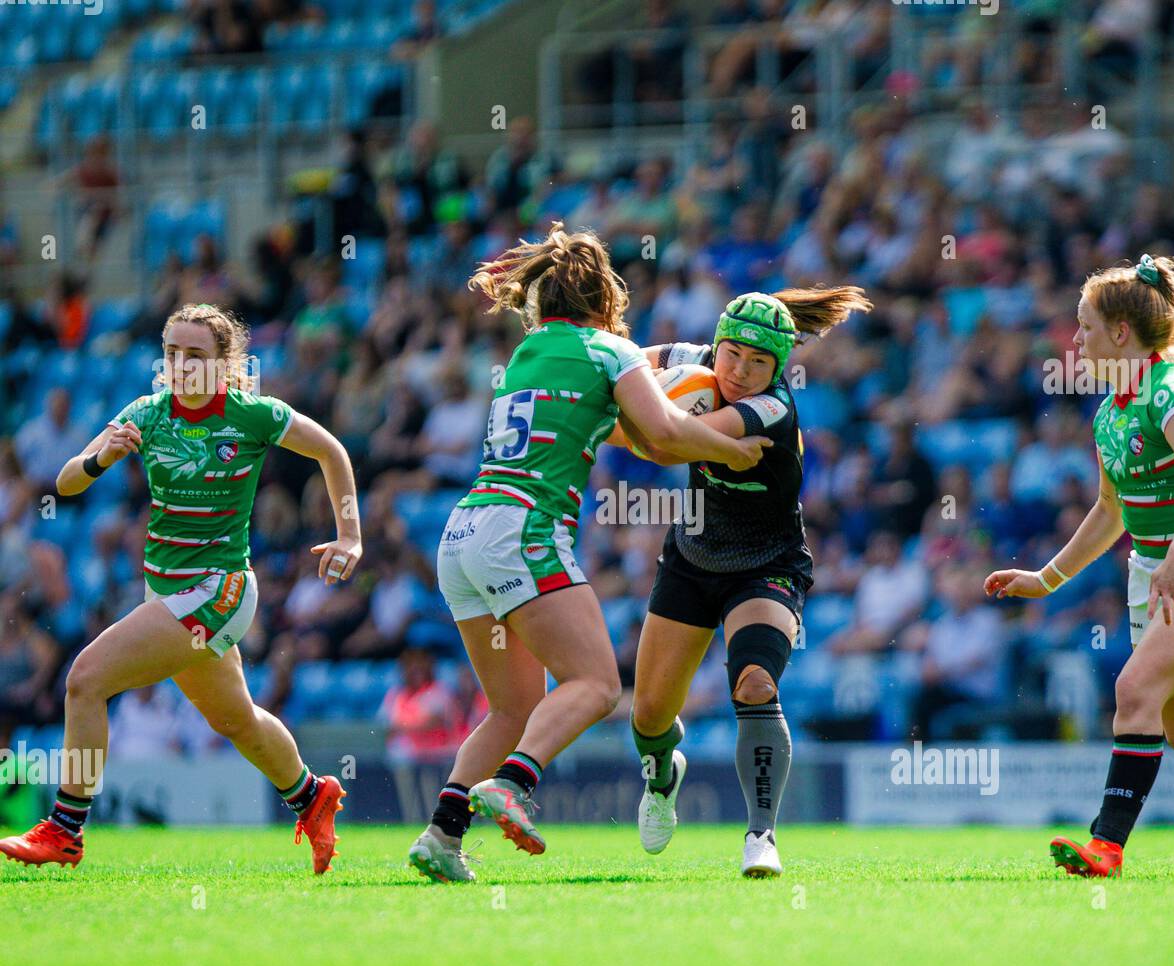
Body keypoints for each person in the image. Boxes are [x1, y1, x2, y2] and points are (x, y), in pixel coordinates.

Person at [406, 223, 770, 884]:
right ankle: (514, 784)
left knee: (513, 709)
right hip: (523, 528)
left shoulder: (531, 350)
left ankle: (442, 833)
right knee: (599, 684)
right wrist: (730, 448)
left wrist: (669, 373)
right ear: (607, 299)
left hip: (463, 534)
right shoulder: (609, 349)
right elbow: (660, 435)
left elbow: (632, 410)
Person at [0, 304, 361, 874]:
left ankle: (65, 829)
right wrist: (102, 457)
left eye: (195, 355)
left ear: (224, 364)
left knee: (85, 680)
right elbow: (66, 481)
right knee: (235, 720)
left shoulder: (252, 415)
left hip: (220, 590)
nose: (181, 365)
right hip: (165, 593)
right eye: (172, 353)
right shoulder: (146, 413)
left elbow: (330, 451)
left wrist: (350, 536)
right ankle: (311, 796)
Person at [985, 255, 1174, 878]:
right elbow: (1111, 510)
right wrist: (1045, 579)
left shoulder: (1170, 391)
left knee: (1134, 691)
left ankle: (1107, 846)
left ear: (1120, 333)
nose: (1075, 339)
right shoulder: (1109, 412)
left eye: (1084, 326)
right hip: (1158, 571)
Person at [609, 285, 872, 876]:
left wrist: (594, 420)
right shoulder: (694, 361)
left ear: (780, 368)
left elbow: (661, 442)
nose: (740, 372)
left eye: (759, 363)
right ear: (716, 345)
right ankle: (662, 771)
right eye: (731, 355)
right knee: (649, 716)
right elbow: (623, 362)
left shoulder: (772, 409)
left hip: (767, 563)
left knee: (753, 683)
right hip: (693, 555)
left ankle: (761, 835)